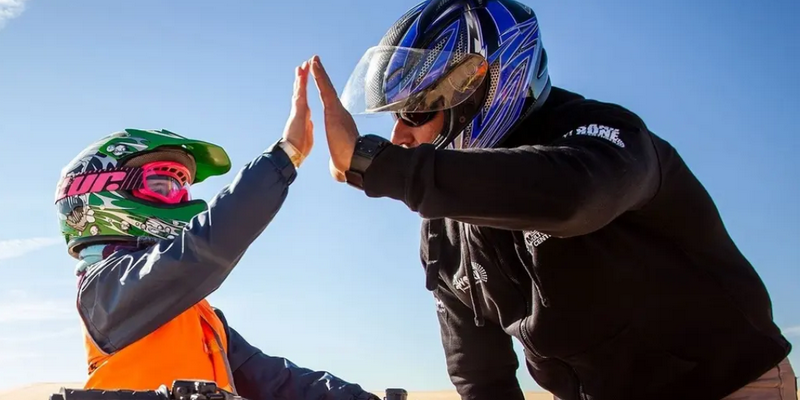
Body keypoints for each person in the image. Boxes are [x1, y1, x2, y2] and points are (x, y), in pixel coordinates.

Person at [306, 0, 796, 399]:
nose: (398, 135)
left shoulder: (602, 137)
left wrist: (377, 165)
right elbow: (478, 372)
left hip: (723, 384)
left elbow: (573, 198)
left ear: (482, 87)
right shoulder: (442, 219)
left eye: (415, 110)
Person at [54, 62, 380, 400]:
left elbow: (276, 381)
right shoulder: (103, 293)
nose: (180, 198)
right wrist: (286, 156)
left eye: (183, 187)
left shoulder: (197, 316)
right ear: (99, 194)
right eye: (165, 183)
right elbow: (202, 248)